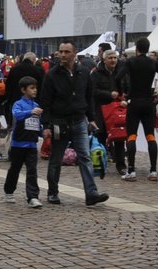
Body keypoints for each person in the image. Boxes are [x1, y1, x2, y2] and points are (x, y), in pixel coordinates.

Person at [41, 42, 108, 206]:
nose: (62, 55)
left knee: (85, 157)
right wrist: (47, 126)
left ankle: (91, 193)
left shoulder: (84, 73)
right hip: (59, 122)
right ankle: (52, 192)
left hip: (79, 121)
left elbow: (88, 97)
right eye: (61, 51)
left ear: (74, 53)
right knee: (56, 159)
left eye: (66, 52)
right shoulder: (52, 75)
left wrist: (91, 118)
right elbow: (45, 102)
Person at [120, 37, 158, 181]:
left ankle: (131, 171)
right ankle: (153, 171)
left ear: (136, 49)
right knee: (150, 136)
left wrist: (123, 92)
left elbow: (118, 76)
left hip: (134, 102)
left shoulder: (130, 61)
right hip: (148, 102)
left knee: (132, 135)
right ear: (148, 48)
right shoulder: (154, 63)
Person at [2, 76, 44, 208]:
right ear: (23, 90)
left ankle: (32, 196)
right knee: (15, 169)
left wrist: (42, 130)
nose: (35, 90)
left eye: (35, 88)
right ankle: (9, 191)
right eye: (32, 88)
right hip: (18, 144)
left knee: (32, 170)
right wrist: (30, 112)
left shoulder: (36, 105)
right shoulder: (18, 104)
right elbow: (17, 115)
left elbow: (37, 124)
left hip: (31, 143)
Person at [90, 48, 124, 148]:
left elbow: (127, 87)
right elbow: (93, 91)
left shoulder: (120, 72)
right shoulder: (96, 73)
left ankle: (120, 161)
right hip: (102, 109)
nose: (113, 60)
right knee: (101, 134)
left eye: (115, 58)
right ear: (104, 60)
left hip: (117, 109)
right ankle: (101, 157)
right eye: (110, 58)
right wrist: (108, 94)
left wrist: (124, 97)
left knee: (119, 135)